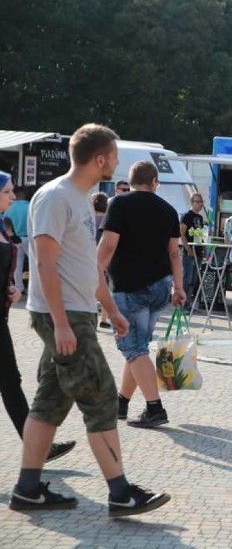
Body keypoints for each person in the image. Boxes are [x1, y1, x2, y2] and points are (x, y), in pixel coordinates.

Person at [10, 123, 170, 516]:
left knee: (49, 401)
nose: (116, 162)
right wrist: (62, 323)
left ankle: (28, 489)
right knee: (101, 396)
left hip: (76, 313)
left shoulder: (81, 199)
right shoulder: (55, 197)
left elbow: (87, 266)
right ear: (99, 159)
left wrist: (111, 310)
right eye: (114, 155)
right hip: (64, 317)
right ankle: (120, 493)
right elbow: (44, 264)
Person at [98, 160, 185, 429]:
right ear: (154, 182)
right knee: (139, 348)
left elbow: (109, 245)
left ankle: (154, 408)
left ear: (131, 180)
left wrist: (94, 270)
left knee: (133, 348)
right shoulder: (169, 210)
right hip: (160, 287)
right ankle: (121, 403)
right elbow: (174, 253)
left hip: (129, 286)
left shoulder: (119, 204)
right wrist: (179, 287)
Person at [0, 172, 77, 464]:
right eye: (7, 191)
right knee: (10, 381)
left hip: (3, 315)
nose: (12, 196)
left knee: (10, 381)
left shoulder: (3, 224)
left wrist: (8, 289)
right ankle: (38, 448)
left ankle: (38, 447)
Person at [180, 193, 207, 307]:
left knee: (194, 279)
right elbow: (181, 233)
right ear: (192, 202)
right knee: (187, 278)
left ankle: (188, 302)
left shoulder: (200, 218)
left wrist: (203, 247)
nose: (200, 204)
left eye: (201, 202)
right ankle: (182, 302)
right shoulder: (186, 216)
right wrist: (188, 248)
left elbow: (200, 234)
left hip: (198, 251)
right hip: (189, 252)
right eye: (198, 202)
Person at [90, 192, 110, 329]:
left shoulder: (89, 220)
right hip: (105, 260)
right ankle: (104, 319)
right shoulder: (108, 221)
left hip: (90, 258)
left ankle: (92, 319)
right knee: (105, 289)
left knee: (91, 290)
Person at [5, 186, 29, 293]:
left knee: (17, 265)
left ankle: (19, 287)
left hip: (15, 239)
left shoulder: (9, 207)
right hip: (29, 238)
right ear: (23, 194)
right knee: (35, 264)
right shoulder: (30, 206)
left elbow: (5, 223)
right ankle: (32, 288)